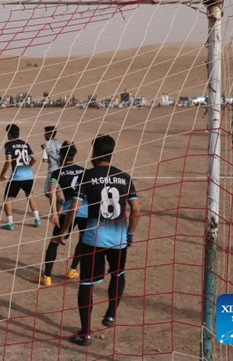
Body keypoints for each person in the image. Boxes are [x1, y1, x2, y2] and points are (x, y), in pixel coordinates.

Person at [59, 134, 140, 346]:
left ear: (94, 152)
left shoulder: (87, 176)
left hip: (92, 239)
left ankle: (85, 334)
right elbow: (136, 211)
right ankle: (111, 313)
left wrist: (64, 231)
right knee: (118, 273)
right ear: (111, 153)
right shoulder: (124, 176)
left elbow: (74, 208)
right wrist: (129, 233)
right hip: (118, 239)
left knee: (86, 284)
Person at [40, 141, 86, 286]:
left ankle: (47, 276)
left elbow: (52, 192)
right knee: (83, 240)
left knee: (54, 242)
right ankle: (73, 270)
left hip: (68, 211)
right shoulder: (84, 171)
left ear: (61, 156)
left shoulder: (57, 172)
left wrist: (54, 213)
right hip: (86, 211)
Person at [0, 123, 40, 229]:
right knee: (30, 195)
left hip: (17, 176)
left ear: (10, 134)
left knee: (8, 198)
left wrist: (2, 174)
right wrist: (28, 167)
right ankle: (37, 220)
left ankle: (10, 224)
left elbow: (8, 161)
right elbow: (34, 159)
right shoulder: (25, 144)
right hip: (29, 176)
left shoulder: (8, 145)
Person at [41, 126, 62, 205]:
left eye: (45, 133)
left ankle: (57, 209)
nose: (44, 134)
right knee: (57, 192)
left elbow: (45, 160)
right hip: (60, 170)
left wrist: (45, 150)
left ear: (48, 134)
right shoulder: (59, 143)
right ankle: (59, 207)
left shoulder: (46, 144)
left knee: (49, 193)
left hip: (52, 171)